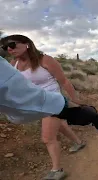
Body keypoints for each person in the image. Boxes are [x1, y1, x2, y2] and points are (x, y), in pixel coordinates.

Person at [1, 34, 87, 180]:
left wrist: (75, 99)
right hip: (36, 102)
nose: (9, 49)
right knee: (60, 126)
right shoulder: (12, 64)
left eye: (12, 45)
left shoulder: (45, 59)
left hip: (52, 100)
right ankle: (79, 142)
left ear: (27, 44)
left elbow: (64, 81)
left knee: (48, 137)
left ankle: (57, 170)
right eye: (5, 47)